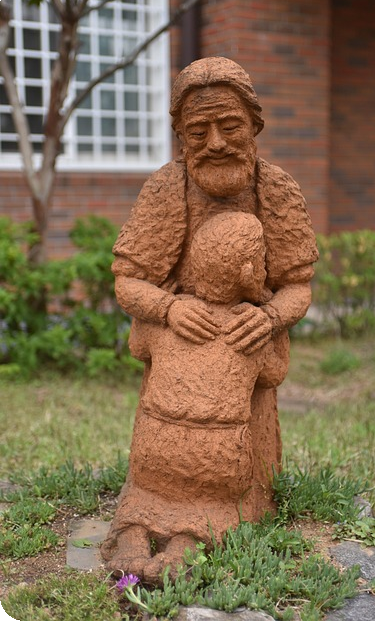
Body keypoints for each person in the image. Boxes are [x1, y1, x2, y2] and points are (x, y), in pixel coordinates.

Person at [110, 56, 318, 516]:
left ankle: (249, 500)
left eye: (230, 126)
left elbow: (298, 287)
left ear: (254, 126)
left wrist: (270, 318)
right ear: (181, 137)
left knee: (248, 461)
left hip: (247, 347)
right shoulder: (167, 188)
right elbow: (128, 281)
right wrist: (168, 309)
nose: (216, 143)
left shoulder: (277, 190)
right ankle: (153, 497)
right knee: (162, 445)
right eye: (198, 132)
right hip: (180, 345)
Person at [101, 211, 289, 582]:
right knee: (214, 504)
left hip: (156, 444)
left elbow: (137, 346)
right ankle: (184, 548)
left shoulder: (169, 322)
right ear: (248, 272)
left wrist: (164, 304)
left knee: (147, 493)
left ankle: (132, 540)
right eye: (262, 263)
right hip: (218, 451)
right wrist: (272, 321)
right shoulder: (249, 332)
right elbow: (274, 374)